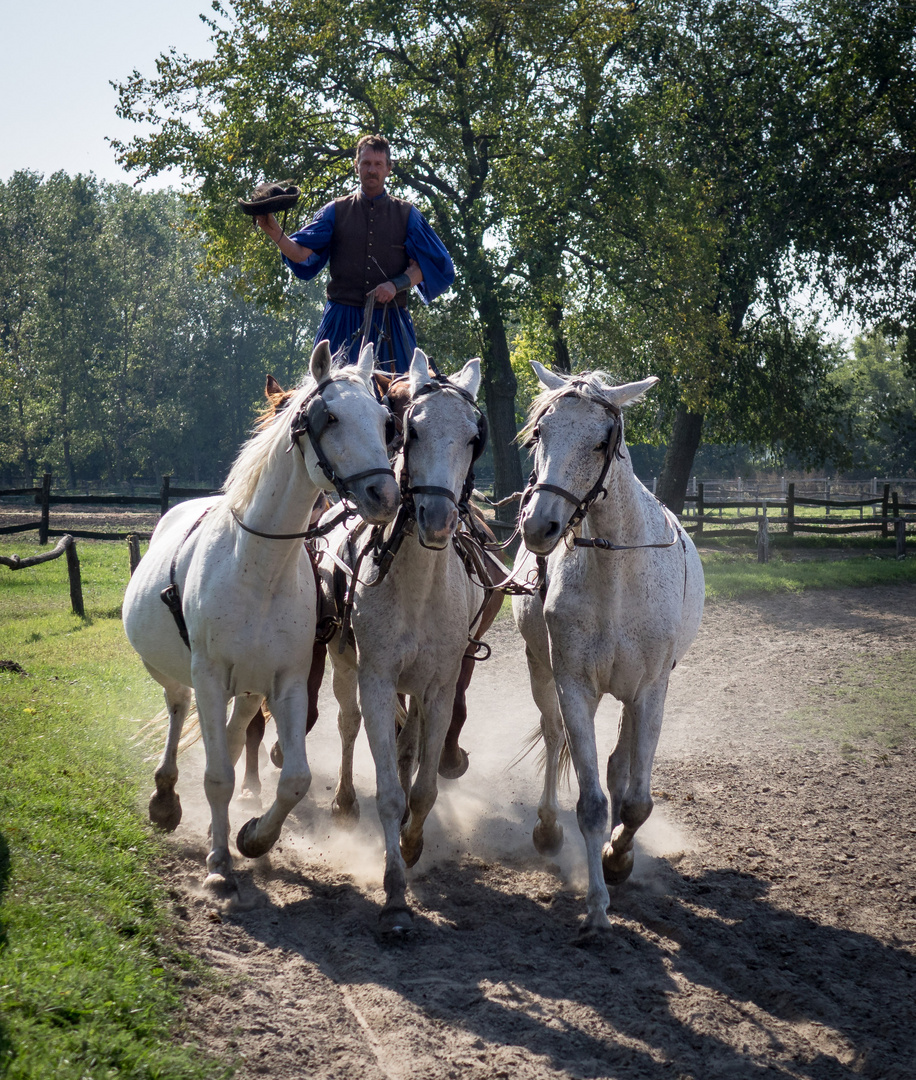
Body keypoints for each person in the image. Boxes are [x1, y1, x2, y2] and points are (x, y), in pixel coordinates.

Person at [254, 134, 455, 373]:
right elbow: (300, 255)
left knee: (405, 397)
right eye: (366, 163)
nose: (372, 170)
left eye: (378, 164)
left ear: (388, 168)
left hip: (390, 323)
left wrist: (396, 284)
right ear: (356, 166)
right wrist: (275, 232)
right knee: (323, 396)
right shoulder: (334, 211)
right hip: (341, 320)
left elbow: (435, 266)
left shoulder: (408, 215)